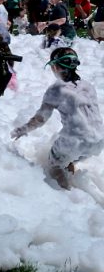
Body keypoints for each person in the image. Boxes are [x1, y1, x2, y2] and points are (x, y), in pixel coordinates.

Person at [12, 47, 103, 189]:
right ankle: (75, 183)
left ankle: (66, 195)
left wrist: (22, 130)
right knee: (67, 159)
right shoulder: (88, 86)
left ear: (55, 66)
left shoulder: (56, 90)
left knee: (55, 164)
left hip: (75, 140)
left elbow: (40, 119)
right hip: (98, 139)